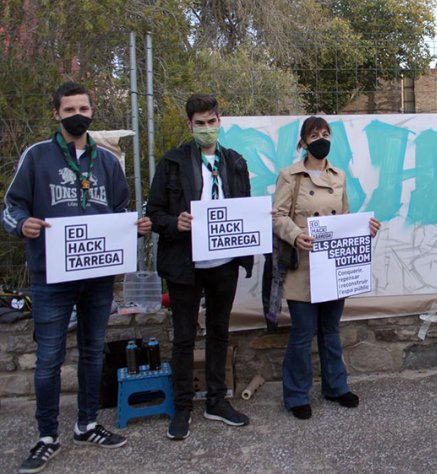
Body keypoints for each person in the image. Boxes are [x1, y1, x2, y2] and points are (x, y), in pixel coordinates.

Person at [3, 82, 152, 473]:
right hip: (51, 277)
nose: (77, 114)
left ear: (92, 110)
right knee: (49, 359)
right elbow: (11, 207)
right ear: (57, 114)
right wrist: (23, 226)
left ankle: (87, 424)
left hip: (98, 275)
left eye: (83, 107)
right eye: (69, 109)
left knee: (92, 351)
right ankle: (46, 436)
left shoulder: (107, 161)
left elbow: (120, 209)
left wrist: (134, 227)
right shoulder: (37, 156)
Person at [147, 93, 253, 440]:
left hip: (224, 262)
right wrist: (174, 222)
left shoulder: (234, 161)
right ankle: (182, 407)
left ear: (219, 121)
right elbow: (154, 213)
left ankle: (217, 401)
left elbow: (244, 209)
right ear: (189, 125)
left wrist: (255, 223)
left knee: (220, 332)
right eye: (199, 124)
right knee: (184, 337)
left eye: (211, 122)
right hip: (185, 263)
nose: (207, 129)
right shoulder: (173, 162)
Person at [273, 116, 381, 420]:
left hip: (333, 266)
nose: (321, 138)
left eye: (325, 133)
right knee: (302, 332)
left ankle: (335, 386)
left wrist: (365, 228)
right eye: (314, 134)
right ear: (303, 142)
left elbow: (343, 218)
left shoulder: (339, 176)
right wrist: (295, 236)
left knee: (331, 330)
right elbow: (277, 216)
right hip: (302, 267)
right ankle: (296, 395)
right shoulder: (289, 176)